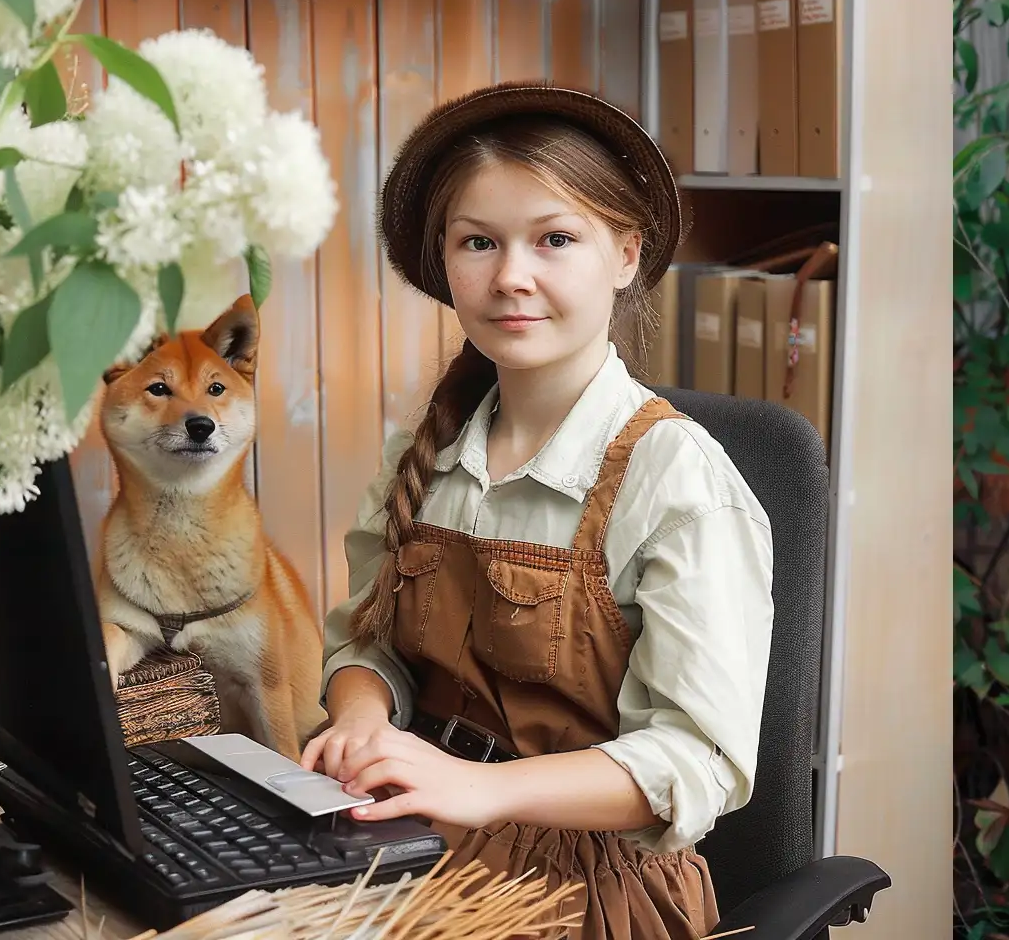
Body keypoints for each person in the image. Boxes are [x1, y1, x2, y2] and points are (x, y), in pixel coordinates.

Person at [306, 84, 773, 940]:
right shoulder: (426, 452)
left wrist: (480, 789)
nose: (511, 276)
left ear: (626, 255)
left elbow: (693, 762)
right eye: (478, 241)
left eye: (555, 239)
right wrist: (363, 719)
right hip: (412, 843)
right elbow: (368, 641)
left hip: (588, 893)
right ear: (445, 263)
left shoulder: (678, 481)